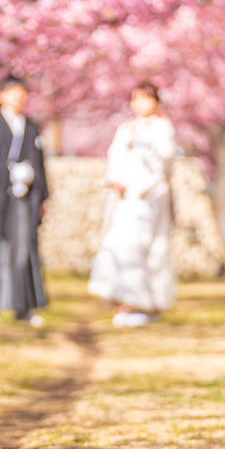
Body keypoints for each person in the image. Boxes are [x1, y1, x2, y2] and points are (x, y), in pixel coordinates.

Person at [87, 81, 177, 327]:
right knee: (120, 247)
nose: (140, 103)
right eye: (136, 98)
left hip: (150, 199)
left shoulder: (162, 127)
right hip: (125, 201)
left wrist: (136, 185)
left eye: (146, 98)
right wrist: (116, 181)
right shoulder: (126, 128)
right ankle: (124, 301)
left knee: (148, 249)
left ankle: (146, 303)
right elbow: (114, 158)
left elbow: (162, 163)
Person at [0, 75, 49, 327]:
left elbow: (42, 166)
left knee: (24, 249)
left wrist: (42, 197)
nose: (18, 97)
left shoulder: (32, 127)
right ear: (0, 96)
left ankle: (24, 306)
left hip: (23, 199)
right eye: (13, 92)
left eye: (22, 92)